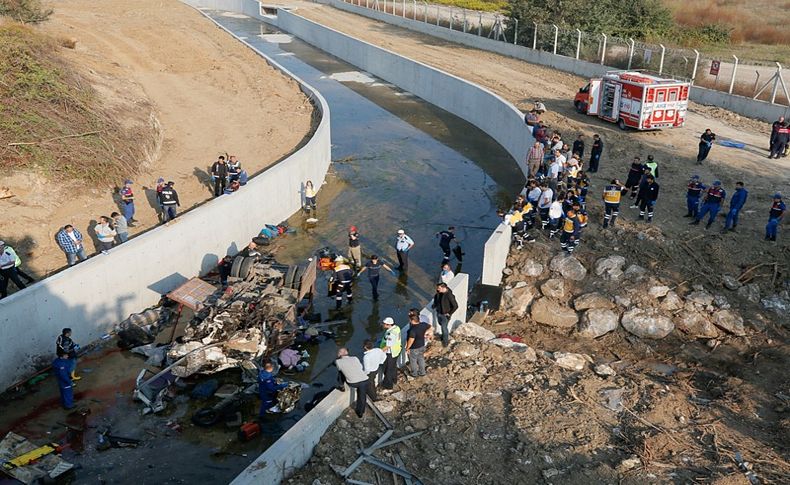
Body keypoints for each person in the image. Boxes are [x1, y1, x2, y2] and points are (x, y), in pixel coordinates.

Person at [335, 348, 369, 417]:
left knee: (340, 372)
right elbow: (360, 367)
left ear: (339, 354)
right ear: (347, 352)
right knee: (362, 395)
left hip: (353, 383)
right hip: (365, 380)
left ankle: (341, 386)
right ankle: (361, 412)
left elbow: (339, 368)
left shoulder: (338, 361)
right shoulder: (355, 358)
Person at [431, 283, 458, 348]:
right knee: (441, 325)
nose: (437, 289)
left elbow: (455, 306)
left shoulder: (449, 295)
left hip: (445, 315)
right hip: (439, 312)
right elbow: (436, 300)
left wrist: (449, 313)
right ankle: (443, 337)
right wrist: (434, 306)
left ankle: (445, 343)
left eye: (439, 288)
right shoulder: (438, 293)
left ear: (444, 288)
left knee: (444, 328)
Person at [405, 313, 431, 378]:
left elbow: (411, 340)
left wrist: (407, 348)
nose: (409, 321)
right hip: (422, 345)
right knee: (421, 359)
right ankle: (422, 372)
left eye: (410, 320)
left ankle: (414, 374)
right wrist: (425, 333)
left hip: (414, 348)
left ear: (412, 321)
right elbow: (430, 326)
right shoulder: (423, 324)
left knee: (413, 361)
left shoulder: (412, 330)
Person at [379, 317, 401, 391]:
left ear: (388, 324)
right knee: (393, 366)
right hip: (396, 350)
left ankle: (388, 385)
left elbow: (388, 346)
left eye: (384, 324)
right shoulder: (396, 328)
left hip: (391, 353)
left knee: (388, 369)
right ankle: (394, 379)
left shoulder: (390, 334)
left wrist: (379, 352)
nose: (382, 325)